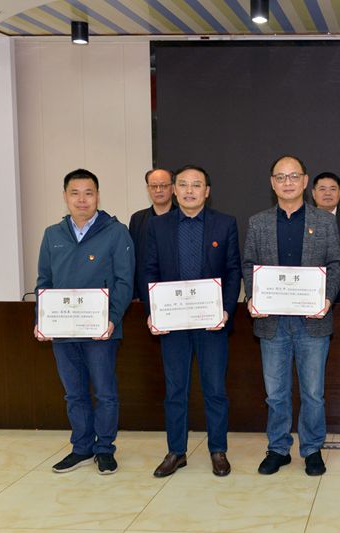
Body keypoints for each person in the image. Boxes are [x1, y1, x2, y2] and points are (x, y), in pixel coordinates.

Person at [243, 156, 340, 476]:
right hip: (272, 321)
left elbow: (336, 264)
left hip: (313, 321)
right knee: (276, 394)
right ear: (272, 183)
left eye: (293, 176)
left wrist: (327, 298)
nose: (287, 182)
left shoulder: (324, 221)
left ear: (304, 181)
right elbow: (249, 264)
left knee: (313, 393)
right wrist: (254, 296)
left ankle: (312, 449)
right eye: (280, 177)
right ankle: (278, 448)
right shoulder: (258, 222)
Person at [142, 164, 241, 478]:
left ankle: (218, 450)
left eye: (196, 185)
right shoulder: (157, 226)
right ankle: (176, 451)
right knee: (175, 390)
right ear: (174, 190)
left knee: (215, 389)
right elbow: (149, 271)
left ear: (207, 191)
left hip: (212, 322)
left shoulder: (225, 224)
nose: (189, 190)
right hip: (173, 323)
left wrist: (226, 310)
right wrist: (154, 311)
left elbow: (233, 271)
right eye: (183, 184)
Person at [34, 168, 134, 475]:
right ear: (65, 197)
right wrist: (41, 319)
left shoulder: (116, 232)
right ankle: (81, 448)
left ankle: (105, 449)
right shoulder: (53, 234)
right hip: (62, 331)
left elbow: (124, 281)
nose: (82, 199)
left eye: (88, 193)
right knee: (74, 393)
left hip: (101, 331)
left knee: (104, 392)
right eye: (75, 193)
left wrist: (112, 319)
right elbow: (44, 282)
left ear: (98, 196)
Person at [129, 169, 175, 300]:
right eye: (154, 186)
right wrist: (134, 294)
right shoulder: (137, 219)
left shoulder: (182, 218)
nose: (158, 190)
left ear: (173, 188)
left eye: (163, 185)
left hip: (176, 291)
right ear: (148, 189)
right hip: (145, 293)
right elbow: (133, 259)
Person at [312, 171, 340, 303]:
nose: (328, 193)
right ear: (313, 193)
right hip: (309, 291)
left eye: (333, 189)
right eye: (322, 189)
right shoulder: (303, 221)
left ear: (339, 193)